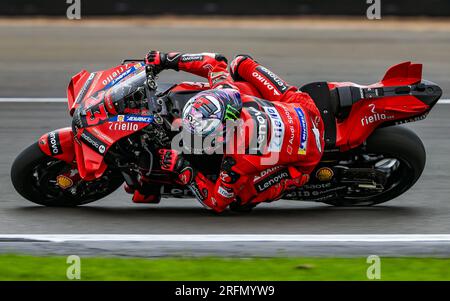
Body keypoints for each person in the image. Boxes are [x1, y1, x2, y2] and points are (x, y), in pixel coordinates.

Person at [145, 51, 325, 212]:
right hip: (304, 108)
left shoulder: (235, 162)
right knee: (240, 63)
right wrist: (167, 59)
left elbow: (217, 202)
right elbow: (215, 62)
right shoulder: (228, 93)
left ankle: (299, 179)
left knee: (240, 200)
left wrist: (183, 168)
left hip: (308, 158)